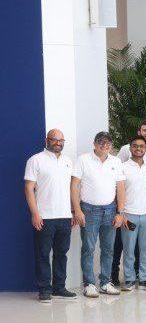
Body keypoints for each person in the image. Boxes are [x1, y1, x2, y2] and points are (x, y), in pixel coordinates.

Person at [25, 129, 78, 302]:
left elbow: (72, 188)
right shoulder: (35, 160)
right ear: (47, 140)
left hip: (64, 216)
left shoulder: (68, 161)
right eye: (55, 139)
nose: (58, 142)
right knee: (43, 254)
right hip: (44, 217)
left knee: (61, 253)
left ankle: (59, 287)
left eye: (61, 140)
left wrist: (73, 211)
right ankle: (44, 290)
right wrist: (35, 214)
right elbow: (29, 189)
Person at [71, 131, 126, 297]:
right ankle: (89, 284)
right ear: (95, 144)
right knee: (88, 248)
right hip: (88, 210)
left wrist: (120, 212)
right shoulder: (83, 159)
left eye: (108, 142)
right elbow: (74, 185)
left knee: (108, 249)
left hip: (110, 210)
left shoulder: (116, 161)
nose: (105, 145)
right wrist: (77, 210)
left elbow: (121, 188)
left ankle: (105, 282)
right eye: (101, 142)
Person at [118, 136, 146, 291]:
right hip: (129, 214)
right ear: (130, 148)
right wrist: (121, 213)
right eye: (135, 146)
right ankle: (129, 279)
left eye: (141, 146)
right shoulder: (123, 166)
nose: (138, 149)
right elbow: (119, 191)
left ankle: (144, 279)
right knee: (129, 249)